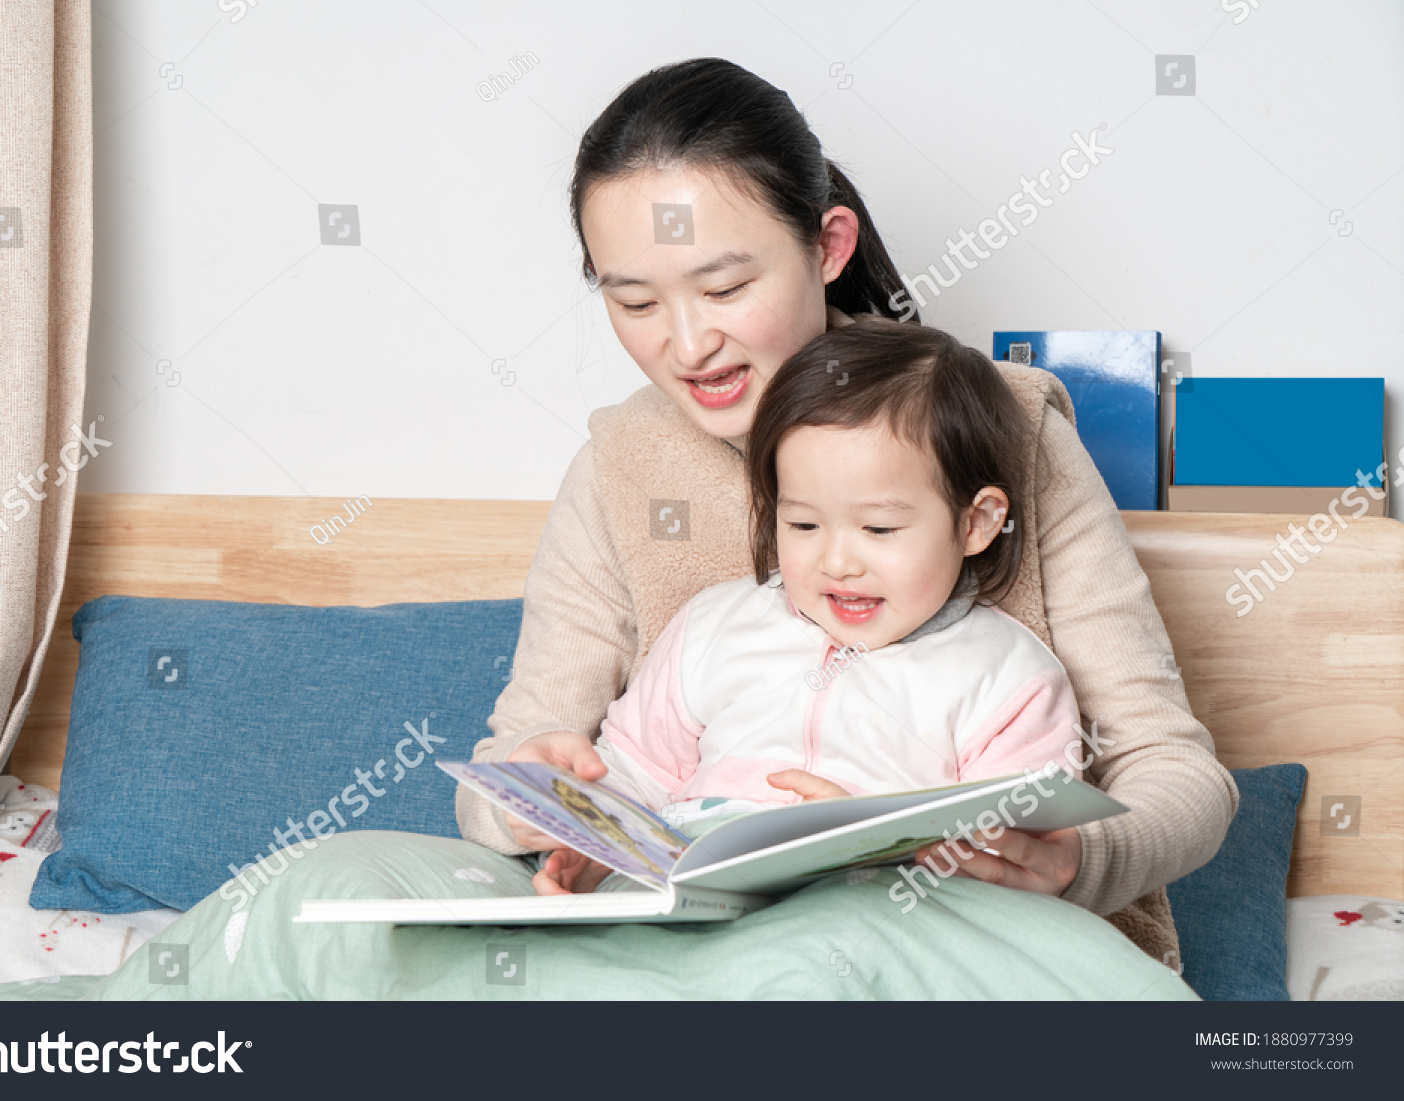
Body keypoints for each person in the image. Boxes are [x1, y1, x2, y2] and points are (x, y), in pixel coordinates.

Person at [461, 56, 1238, 965]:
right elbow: (504, 771)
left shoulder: (1008, 428)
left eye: (724, 288)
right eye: (633, 300)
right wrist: (534, 798)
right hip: (692, 947)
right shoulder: (617, 469)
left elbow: (1176, 771)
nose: (685, 343)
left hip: (970, 950)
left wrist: (1080, 858)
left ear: (828, 247)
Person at [534, 319, 1089, 895]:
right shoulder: (715, 626)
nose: (838, 562)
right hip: (698, 889)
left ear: (976, 523)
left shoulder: (1008, 675)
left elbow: (1009, 857)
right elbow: (634, 772)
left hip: (876, 905)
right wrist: (593, 846)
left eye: (879, 527)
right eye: (802, 523)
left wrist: (870, 834)